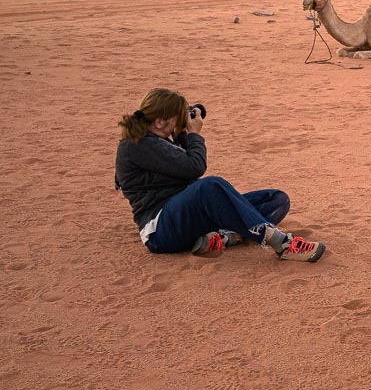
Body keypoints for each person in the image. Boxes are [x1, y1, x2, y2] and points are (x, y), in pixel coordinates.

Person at [115, 88, 326, 262]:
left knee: (276, 200)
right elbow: (195, 167)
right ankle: (282, 243)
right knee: (210, 186)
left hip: (185, 217)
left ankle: (222, 238)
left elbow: (181, 166)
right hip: (160, 229)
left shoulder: (155, 141)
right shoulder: (137, 145)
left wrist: (182, 134)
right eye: (176, 118)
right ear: (159, 122)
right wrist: (194, 135)